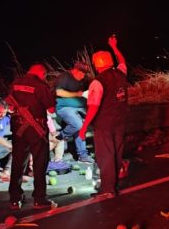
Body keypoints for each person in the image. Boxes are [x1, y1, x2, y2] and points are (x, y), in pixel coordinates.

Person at [79, 35, 129, 198]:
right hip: (120, 121)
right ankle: (114, 183)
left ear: (96, 64)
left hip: (104, 124)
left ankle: (108, 189)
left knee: (105, 155)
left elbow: (93, 107)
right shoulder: (121, 74)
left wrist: (84, 127)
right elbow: (122, 61)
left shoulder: (97, 82)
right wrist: (114, 47)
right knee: (116, 152)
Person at [7, 63, 56, 210]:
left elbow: (9, 105)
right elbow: (52, 109)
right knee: (40, 163)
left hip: (18, 128)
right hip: (36, 129)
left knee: (18, 162)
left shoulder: (15, 83)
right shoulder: (41, 85)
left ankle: (15, 199)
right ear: (42, 73)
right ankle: (39, 198)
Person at [55, 62, 94, 164]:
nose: (83, 76)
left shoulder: (82, 81)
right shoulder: (65, 76)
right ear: (75, 70)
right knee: (78, 124)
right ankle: (61, 136)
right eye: (82, 73)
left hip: (79, 107)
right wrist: (77, 94)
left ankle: (83, 156)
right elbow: (58, 92)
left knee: (83, 126)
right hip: (64, 107)